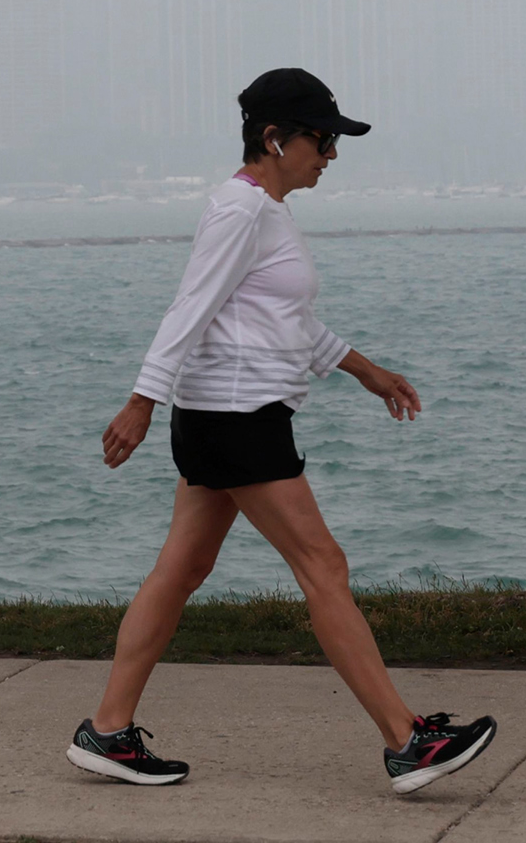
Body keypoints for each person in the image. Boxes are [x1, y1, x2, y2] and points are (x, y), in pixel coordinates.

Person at [65, 67, 497, 798]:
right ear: (276, 138)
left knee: (181, 571)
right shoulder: (241, 212)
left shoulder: (265, 212)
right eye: (322, 140)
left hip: (223, 416)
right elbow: (190, 308)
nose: (331, 155)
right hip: (237, 418)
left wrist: (365, 370)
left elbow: (284, 321)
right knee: (323, 565)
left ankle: (108, 732)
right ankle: (406, 741)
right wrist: (142, 401)